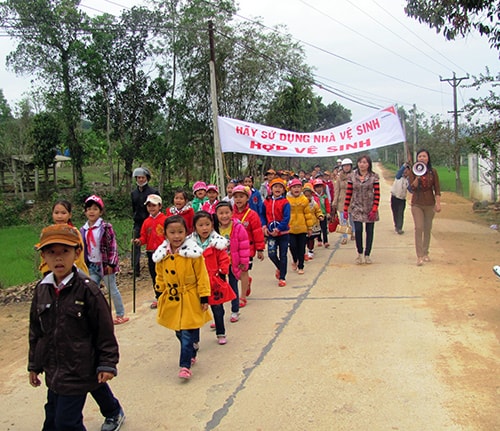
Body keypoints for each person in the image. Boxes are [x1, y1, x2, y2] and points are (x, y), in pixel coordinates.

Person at [29, 224, 123, 431]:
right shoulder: (42, 289)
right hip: (54, 369)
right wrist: (34, 365)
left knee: (67, 423)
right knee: (52, 420)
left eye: (65, 252)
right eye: (51, 253)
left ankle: (113, 412)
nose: (58, 258)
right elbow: (36, 330)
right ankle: (114, 410)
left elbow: (104, 331)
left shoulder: (88, 290)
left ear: (77, 253)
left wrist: (107, 363)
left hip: (80, 365)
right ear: (44, 256)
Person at [152, 215, 212, 380]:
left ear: (186, 232)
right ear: (165, 234)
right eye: (172, 232)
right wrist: (159, 292)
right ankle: (191, 349)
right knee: (179, 331)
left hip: (190, 297)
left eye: (180, 232)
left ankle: (184, 365)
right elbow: (160, 276)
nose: (176, 236)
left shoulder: (193, 254)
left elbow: (202, 275)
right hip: (172, 298)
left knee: (186, 332)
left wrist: (204, 296)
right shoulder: (162, 254)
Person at [80, 195, 129, 325]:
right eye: (89, 209)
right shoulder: (83, 230)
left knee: (112, 289)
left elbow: (112, 246)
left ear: (100, 211)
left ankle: (120, 314)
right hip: (91, 265)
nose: (91, 212)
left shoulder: (105, 227)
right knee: (91, 290)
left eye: (95, 209)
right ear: (85, 211)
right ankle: (95, 316)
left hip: (105, 265)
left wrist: (111, 263)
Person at [190, 211, 231, 345]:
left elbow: (224, 259)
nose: (204, 228)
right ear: (195, 226)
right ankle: (194, 340)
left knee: (218, 308)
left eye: (207, 224)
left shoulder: (217, 242)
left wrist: (222, 272)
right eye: (200, 225)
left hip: (214, 281)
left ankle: (221, 332)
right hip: (197, 283)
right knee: (196, 311)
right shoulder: (190, 244)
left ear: (212, 225)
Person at [214, 201, 250, 322]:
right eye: (221, 213)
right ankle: (219, 316)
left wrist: (244, 262)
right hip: (218, 265)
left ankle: (235, 311)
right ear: (216, 214)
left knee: (233, 286)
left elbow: (244, 246)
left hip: (232, 263)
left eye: (227, 213)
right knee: (218, 289)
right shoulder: (213, 229)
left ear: (232, 213)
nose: (224, 216)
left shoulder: (238, 227)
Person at [343, 155, 380, 264]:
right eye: (360, 162)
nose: (362, 164)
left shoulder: (374, 177)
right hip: (356, 207)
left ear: (368, 164)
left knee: (369, 231)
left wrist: (374, 208)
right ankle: (359, 253)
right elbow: (348, 193)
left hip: (370, 207)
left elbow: (377, 194)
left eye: (364, 162)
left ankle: (367, 254)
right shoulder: (352, 177)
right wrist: (345, 209)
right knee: (358, 230)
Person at [232, 185, 265, 306]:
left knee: (244, 271)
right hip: (233, 250)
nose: (238, 199)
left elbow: (257, 233)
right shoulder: (230, 214)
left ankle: (242, 297)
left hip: (248, 249)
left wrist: (260, 249)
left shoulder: (252, 215)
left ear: (247, 198)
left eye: (241, 196)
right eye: (236, 197)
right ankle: (247, 282)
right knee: (235, 273)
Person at [408, 149, 441, 266]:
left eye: (424, 156)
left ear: (428, 158)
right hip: (417, 203)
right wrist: (417, 176)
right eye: (420, 156)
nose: (422, 158)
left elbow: (437, 189)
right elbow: (412, 188)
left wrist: (438, 203)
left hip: (430, 203)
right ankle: (419, 255)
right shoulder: (413, 172)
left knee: (427, 228)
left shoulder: (433, 172)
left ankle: (426, 252)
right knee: (419, 227)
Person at [133, 194, 167, 309]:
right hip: (151, 252)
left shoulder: (165, 220)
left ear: (160, 206)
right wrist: (139, 241)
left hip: (164, 252)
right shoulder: (146, 222)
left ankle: (168, 296)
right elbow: (144, 237)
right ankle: (159, 298)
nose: (151, 208)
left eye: (154, 205)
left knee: (166, 275)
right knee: (155, 276)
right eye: (149, 206)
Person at [39, 200, 88, 276]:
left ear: (70, 215)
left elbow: (79, 258)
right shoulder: (47, 232)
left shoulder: (74, 233)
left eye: (63, 213)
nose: (59, 216)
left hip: (75, 275)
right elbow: (44, 257)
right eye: (56, 213)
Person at [261, 177, 290, 287]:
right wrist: (264, 226)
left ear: (283, 190)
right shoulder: (266, 202)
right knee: (271, 254)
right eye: (275, 187)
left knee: (283, 255)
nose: (277, 189)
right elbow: (262, 215)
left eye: (280, 187)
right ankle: (279, 267)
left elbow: (286, 218)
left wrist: (279, 229)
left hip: (283, 233)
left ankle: (282, 277)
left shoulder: (285, 202)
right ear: (271, 189)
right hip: (270, 234)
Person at [131, 167, 158, 277]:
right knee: (135, 244)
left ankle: (155, 264)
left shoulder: (153, 192)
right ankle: (135, 269)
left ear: (147, 178)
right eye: (138, 178)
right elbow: (134, 208)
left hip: (151, 222)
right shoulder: (134, 193)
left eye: (142, 177)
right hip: (138, 222)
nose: (140, 180)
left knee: (154, 243)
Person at [287, 178, 313, 275]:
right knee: (293, 247)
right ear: (290, 189)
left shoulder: (304, 200)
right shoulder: (286, 200)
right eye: (294, 187)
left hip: (302, 228)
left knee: (301, 248)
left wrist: (309, 228)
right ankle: (295, 260)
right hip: (290, 228)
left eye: (298, 187)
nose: (296, 189)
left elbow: (308, 215)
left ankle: (301, 266)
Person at [333, 158, 355, 245]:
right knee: (343, 220)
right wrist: (334, 202)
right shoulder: (339, 177)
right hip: (342, 201)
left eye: (348, 166)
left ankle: (353, 233)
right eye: (345, 166)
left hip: (352, 200)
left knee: (352, 219)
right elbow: (336, 190)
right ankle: (344, 237)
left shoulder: (354, 176)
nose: (346, 167)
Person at [303, 182, 324, 260]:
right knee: (304, 239)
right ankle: (303, 252)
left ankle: (310, 250)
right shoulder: (301, 204)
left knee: (311, 238)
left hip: (313, 224)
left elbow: (318, 211)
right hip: (304, 224)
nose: (307, 197)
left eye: (309, 195)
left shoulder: (314, 203)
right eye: (306, 196)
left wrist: (320, 216)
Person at [391, 163, 410, 235]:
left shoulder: (408, 181)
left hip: (402, 199)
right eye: (404, 170)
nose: (405, 172)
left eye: (407, 171)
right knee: (395, 213)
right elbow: (400, 171)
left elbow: (411, 189)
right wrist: (405, 164)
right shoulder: (398, 177)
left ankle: (399, 228)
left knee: (400, 213)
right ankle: (396, 226)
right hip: (394, 197)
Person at [313, 178, 331, 247]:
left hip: (323, 214)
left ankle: (325, 241)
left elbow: (327, 205)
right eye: (317, 187)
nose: (319, 189)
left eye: (320, 187)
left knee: (324, 228)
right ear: (314, 188)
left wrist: (328, 212)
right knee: (318, 228)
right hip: (316, 215)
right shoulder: (313, 197)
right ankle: (319, 240)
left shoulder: (324, 196)